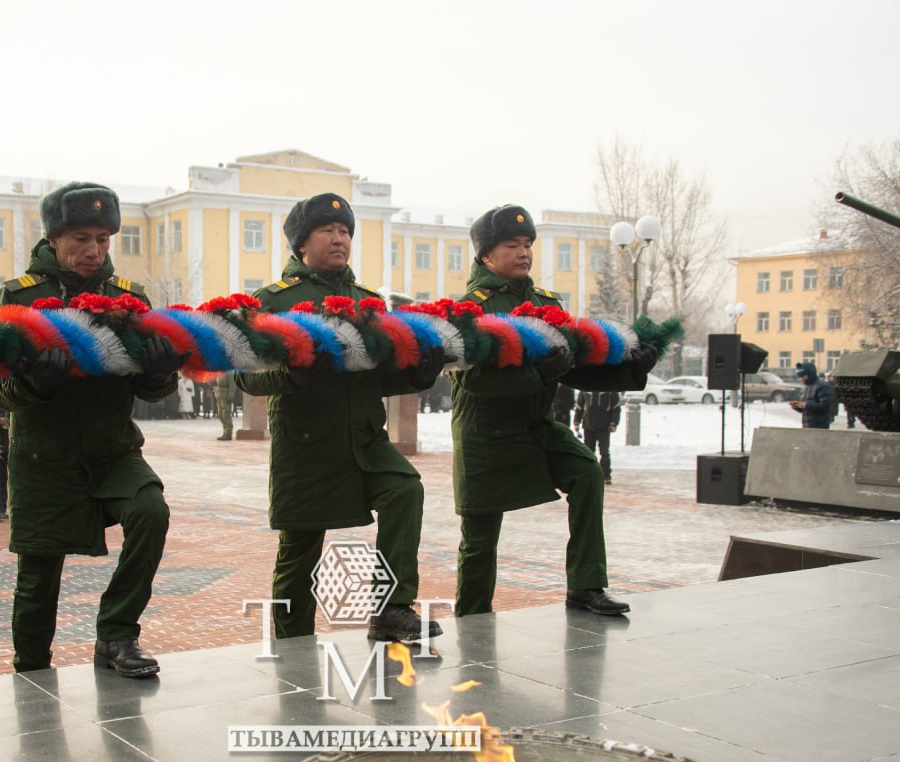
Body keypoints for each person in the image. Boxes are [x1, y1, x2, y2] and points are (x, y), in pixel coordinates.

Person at [0, 181, 182, 678]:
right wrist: (35, 385)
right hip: (42, 459)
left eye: (103, 238)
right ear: (53, 239)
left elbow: (150, 391)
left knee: (150, 512)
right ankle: (30, 670)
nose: (94, 251)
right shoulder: (18, 300)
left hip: (113, 452)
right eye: (80, 239)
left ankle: (117, 633)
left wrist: (159, 374)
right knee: (38, 574)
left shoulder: (128, 302)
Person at [236, 192, 446, 640]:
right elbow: (247, 377)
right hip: (306, 446)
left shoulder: (369, 304)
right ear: (300, 244)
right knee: (300, 548)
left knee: (405, 489)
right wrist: (293, 375)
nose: (339, 239)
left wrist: (417, 374)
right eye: (327, 231)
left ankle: (391, 608)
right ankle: (292, 643)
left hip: (366, 442)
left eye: (345, 231)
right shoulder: (274, 302)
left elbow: (380, 377)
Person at [450, 205, 657, 618]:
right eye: (512, 245)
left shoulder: (547, 304)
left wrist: (631, 370)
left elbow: (574, 367)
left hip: (538, 427)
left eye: (527, 244)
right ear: (486, 256)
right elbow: (472, 381)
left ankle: (585, 585)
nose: (524, 252)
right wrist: (535, 372)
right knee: (480, 536)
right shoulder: (470, 310)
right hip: (483, 434)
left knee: (586, 472)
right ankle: (471, 619)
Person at [574, 390, 621, 485]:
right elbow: (579, 406)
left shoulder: (610, 389)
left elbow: (616, 407)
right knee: (588, 452)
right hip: (588, 425)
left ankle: (606, 475)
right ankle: (588, 474)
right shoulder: (585, 387)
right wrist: (576, 421)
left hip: (604, 426)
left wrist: (614, 423)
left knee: (604, 451)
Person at [790, 362, 834, 428]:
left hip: (820, 426)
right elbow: (807, 409)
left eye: (803, 376)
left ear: (810, 374)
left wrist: (806, 405)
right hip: (807, 426)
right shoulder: (805, 387)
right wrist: (797, 406)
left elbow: (824, 406)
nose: (802, 378)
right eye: (800, 377)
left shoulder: (823, 386)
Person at [214, 371, 235, 441]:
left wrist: (231, 395)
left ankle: (228, 433)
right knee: (220, 415)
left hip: (225, 394)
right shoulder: (219, 372)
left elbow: (232, 385)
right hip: (219, 394)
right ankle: (224, 432)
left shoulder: (229, 372)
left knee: (226, 414)